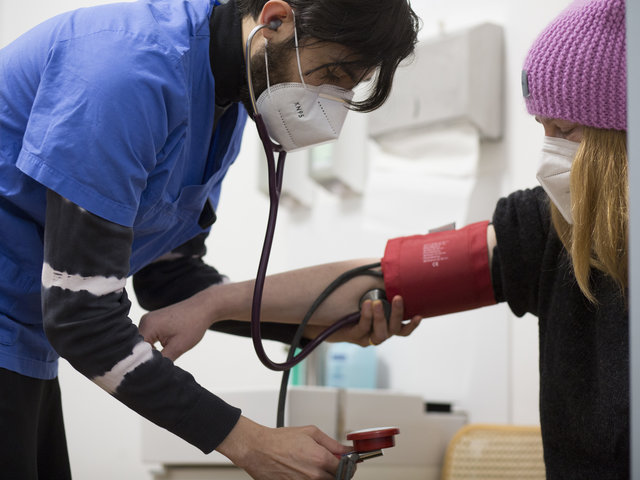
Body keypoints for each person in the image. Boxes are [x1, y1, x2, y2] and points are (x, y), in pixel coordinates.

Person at [140, 0, 629, 477]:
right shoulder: (546, 229)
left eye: (564, 129)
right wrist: (212, 303)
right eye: (542, 129)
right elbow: (382, 281)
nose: (549, 156)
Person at [0, 0, 420, 478]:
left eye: (347, 87)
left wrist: (308, 325)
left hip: (25, 343)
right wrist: (249, 442)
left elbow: (169, 275)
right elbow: (81, 314)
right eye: (332, 72)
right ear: (276, 19)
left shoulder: (228, 101)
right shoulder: (127, 71)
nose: (328, 102)